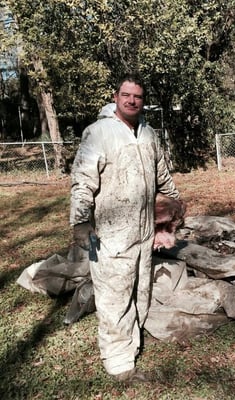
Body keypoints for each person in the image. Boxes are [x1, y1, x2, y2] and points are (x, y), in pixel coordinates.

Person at [70, 73, 180, 383]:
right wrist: (80, 222)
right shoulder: (99, 132)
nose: (132, 101)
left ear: (143, 101)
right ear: (116, 98)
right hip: (110, 237)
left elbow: (164, 180)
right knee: (114, 299)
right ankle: (120, 364)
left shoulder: (149, 134)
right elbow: (82, 182)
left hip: (143, 234)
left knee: (139, 292)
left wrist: (169, 219)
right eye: (126, 95)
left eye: (138, 96)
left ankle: (135, 341)